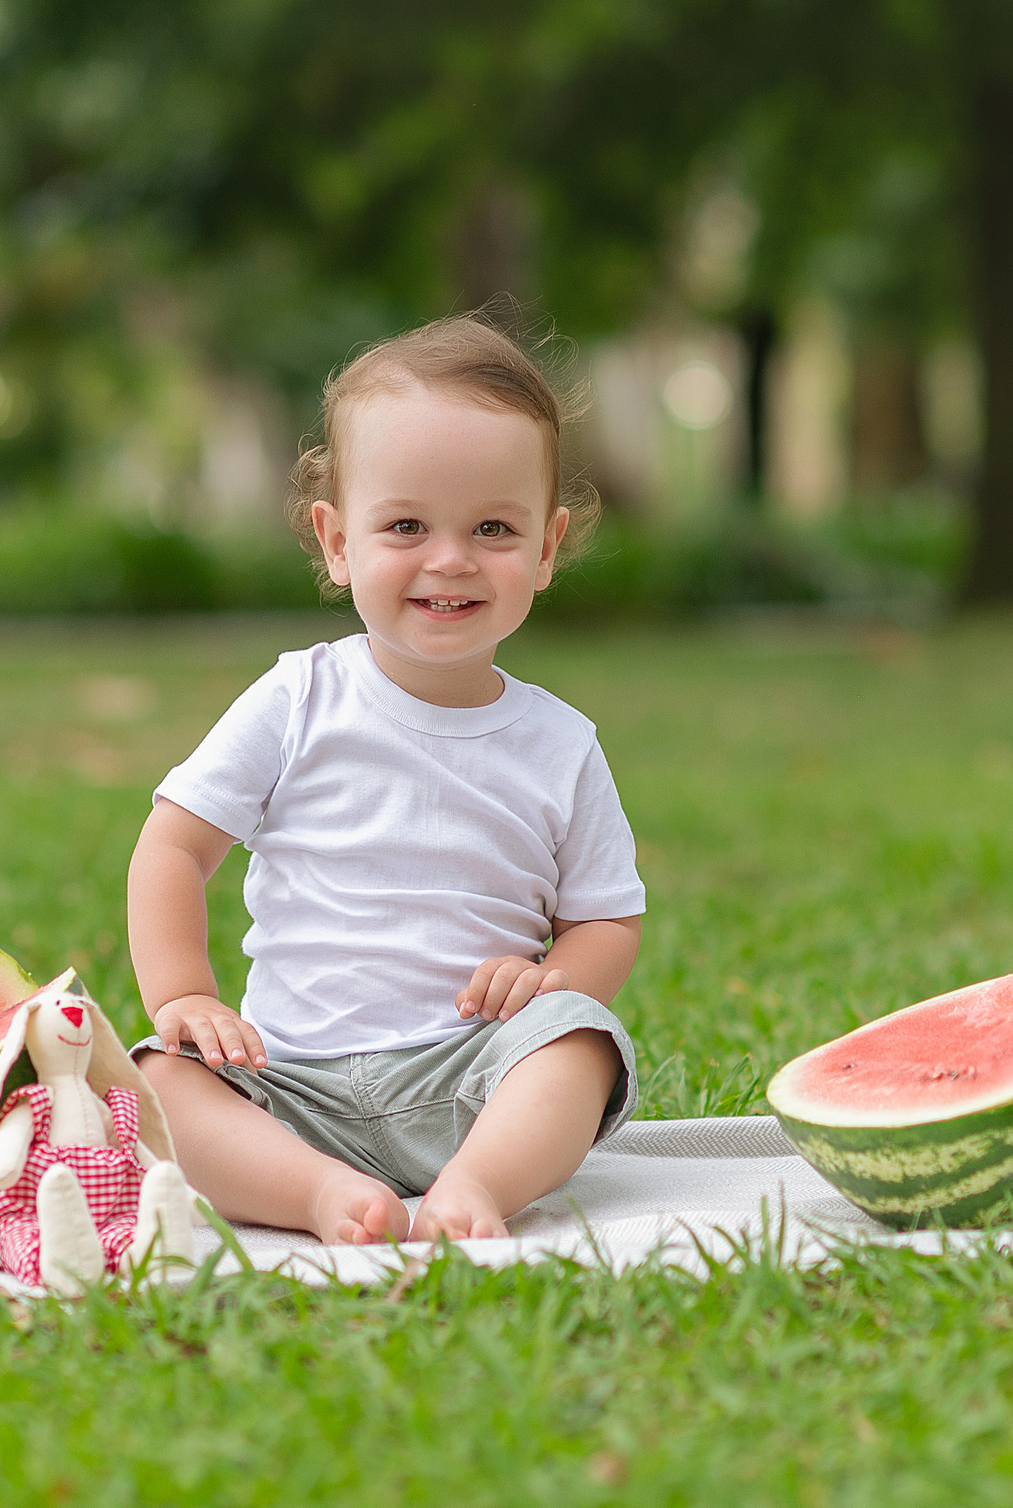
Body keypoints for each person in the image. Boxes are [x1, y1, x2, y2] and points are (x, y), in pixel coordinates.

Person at [126, 316, 644, 1244]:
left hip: (473, 1077)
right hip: (289, 1082)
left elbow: (606, 919)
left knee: (579, 1043)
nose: (449, 558)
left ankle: (476, 1188)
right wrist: (182, 996)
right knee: (160, 1080)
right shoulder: (297, 700)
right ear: (335, 541)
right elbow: (173, 843)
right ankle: (319, 1195)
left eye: (493, 527)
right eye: (406, 525)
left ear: (547, 547)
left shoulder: (561, 744)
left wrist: (550, 980)